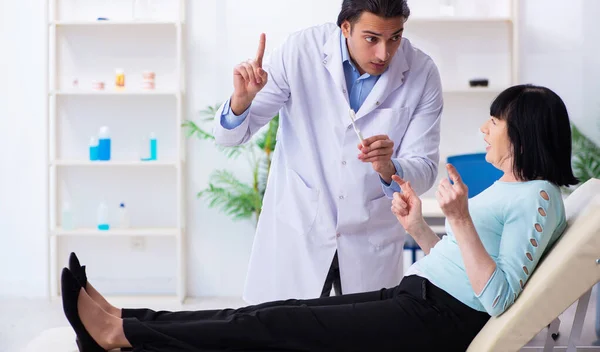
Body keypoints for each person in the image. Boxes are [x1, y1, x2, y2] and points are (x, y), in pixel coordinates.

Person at [62, 84, 578, 352]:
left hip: (436, 321)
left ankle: (122, 333)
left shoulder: (539, 198)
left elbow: (500, 297)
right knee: (275, 315)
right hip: (417, 297)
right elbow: (466, 264)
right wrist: (420, 227)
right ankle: (126, 325)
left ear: (525, 132)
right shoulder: (512, 188)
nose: (485, 129)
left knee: (275, 325)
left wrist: (460, 220)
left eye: (495, 120)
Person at [213, 0, 443, 303]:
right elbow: (229, 137)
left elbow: (424, 169)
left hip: (370, 239)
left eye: (395, 37)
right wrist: (242, 101)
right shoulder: (300, 52)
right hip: (300, 231)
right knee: (284, 335)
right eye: (371, 38)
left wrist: (390, 168)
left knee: (363, 336)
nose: (384, 53)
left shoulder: (422, 72)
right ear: (345, 27)